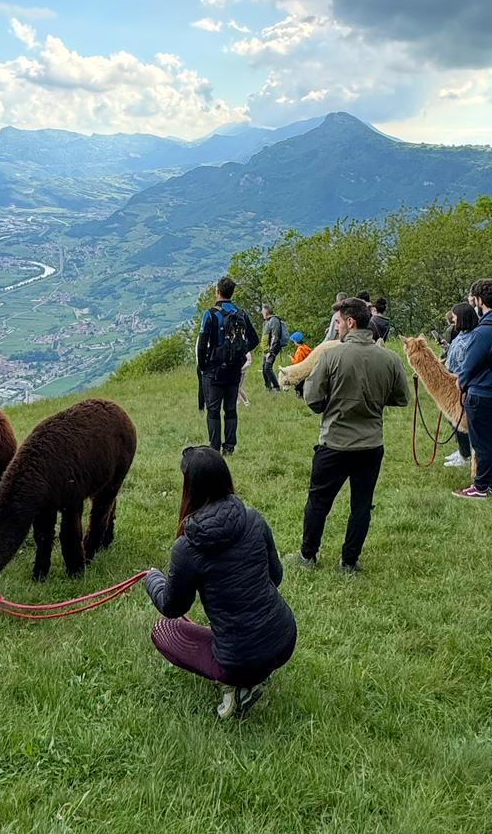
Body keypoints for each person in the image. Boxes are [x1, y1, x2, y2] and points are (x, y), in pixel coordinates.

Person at [145, 447, 298, 719]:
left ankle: (237, 688)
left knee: (164, 630)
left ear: (189, 489)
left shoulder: (187, 548)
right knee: (232, 637)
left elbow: (172, 606)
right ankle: (257, 674)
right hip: (284, 637)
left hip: (239, 659)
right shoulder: (254, 517)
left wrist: (152, 578)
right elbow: (276, 577)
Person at [286, 297, 409, 573]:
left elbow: (313, 399)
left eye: (339, 322)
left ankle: (308, 556)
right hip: (371, 444)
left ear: (351, 322)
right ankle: (350, 562)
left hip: (334, 443)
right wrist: (373, 401)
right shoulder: (389, 358)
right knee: (362, 506)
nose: (337, 327)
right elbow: (402, 397)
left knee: (318, 502)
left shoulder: (330, 356)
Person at [452, 279, 492, 500]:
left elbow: (469, 365)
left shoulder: (484, 332)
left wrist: (462, 381)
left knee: (482, 443)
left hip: (481, 393)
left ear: (479, 301)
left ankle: (480, 487)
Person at [195, 276, 259, 455]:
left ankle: (214, 447)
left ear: (217, 291)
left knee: (213, 411)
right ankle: (229, 447)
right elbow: (254, 339)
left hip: (214, 371)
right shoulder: (241, 313)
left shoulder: (211, 314)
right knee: (231, 409)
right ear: (232, 292)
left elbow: (202, 343)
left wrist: (203, 364)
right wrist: (240, 353)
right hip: (234, 370)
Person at [441, 302, 479, 469]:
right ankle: (464, 452)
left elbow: (459, 365)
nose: (453, 320)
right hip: (462, 383)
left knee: (459, 421)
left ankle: (466, 455)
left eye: (455, 317)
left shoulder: (466, 340)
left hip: (461, 386)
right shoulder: (469, 336)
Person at [260, 304, 286, 392]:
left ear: (266, 311)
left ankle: (276, 387)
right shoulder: (267, 321)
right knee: (264, 368)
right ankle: (268, 388)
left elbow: (275, 336)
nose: (261, 313)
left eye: (262, 311)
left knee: (267, 367)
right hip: (266, 349)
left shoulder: (274, 320)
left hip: (272, 349)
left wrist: (270, 351)